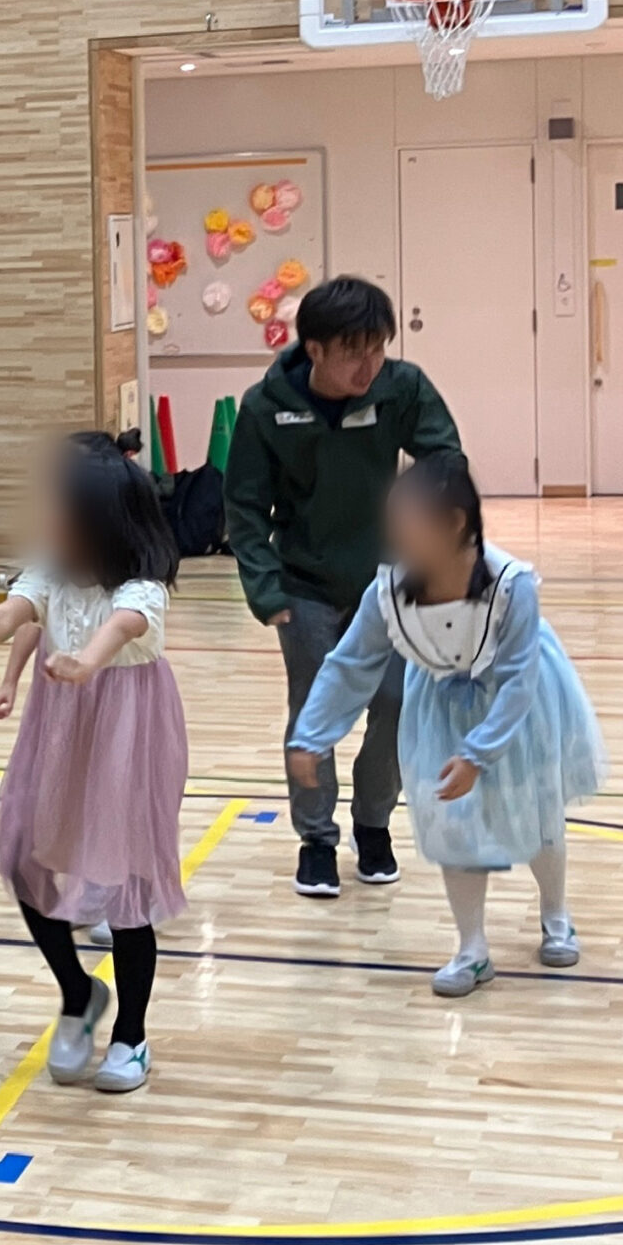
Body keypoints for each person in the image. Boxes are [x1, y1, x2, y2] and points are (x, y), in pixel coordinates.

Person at [0, 434, 186, 1093]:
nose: (49, 521)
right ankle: (78, 992)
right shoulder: (51, 569)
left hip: (128, 732)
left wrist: (87, 663)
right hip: (60, 726)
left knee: (126, 887)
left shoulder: (142, 586)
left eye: (62, 512)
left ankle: (131, 1034)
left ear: (102, 523)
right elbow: (12, 613)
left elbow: (121, 627)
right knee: (24, 860)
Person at [288, 453, 603, 997]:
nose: (392, 535)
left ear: (454, 523)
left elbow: (518, 679)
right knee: (454, 826)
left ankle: (556, 914)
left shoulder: (512, 585)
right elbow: (350, 664)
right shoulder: (388, 591)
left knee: (538, 811)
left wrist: (479, 753)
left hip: (518, 707)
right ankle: (472, 949)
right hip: (440, 708)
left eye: (405, 522)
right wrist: (313, 734)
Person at [224, 276, 460, 899]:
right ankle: (317, 840)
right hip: (303, 586)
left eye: (379, 348)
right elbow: (243, 507)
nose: (370, 364)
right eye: (355, 351)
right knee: (314, 712)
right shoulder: (265, 407)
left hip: (388, 584)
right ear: (316, 350)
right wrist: (266, 591)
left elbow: (445, 459)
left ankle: (373, 824)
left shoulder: (401, 387)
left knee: (397, 704)